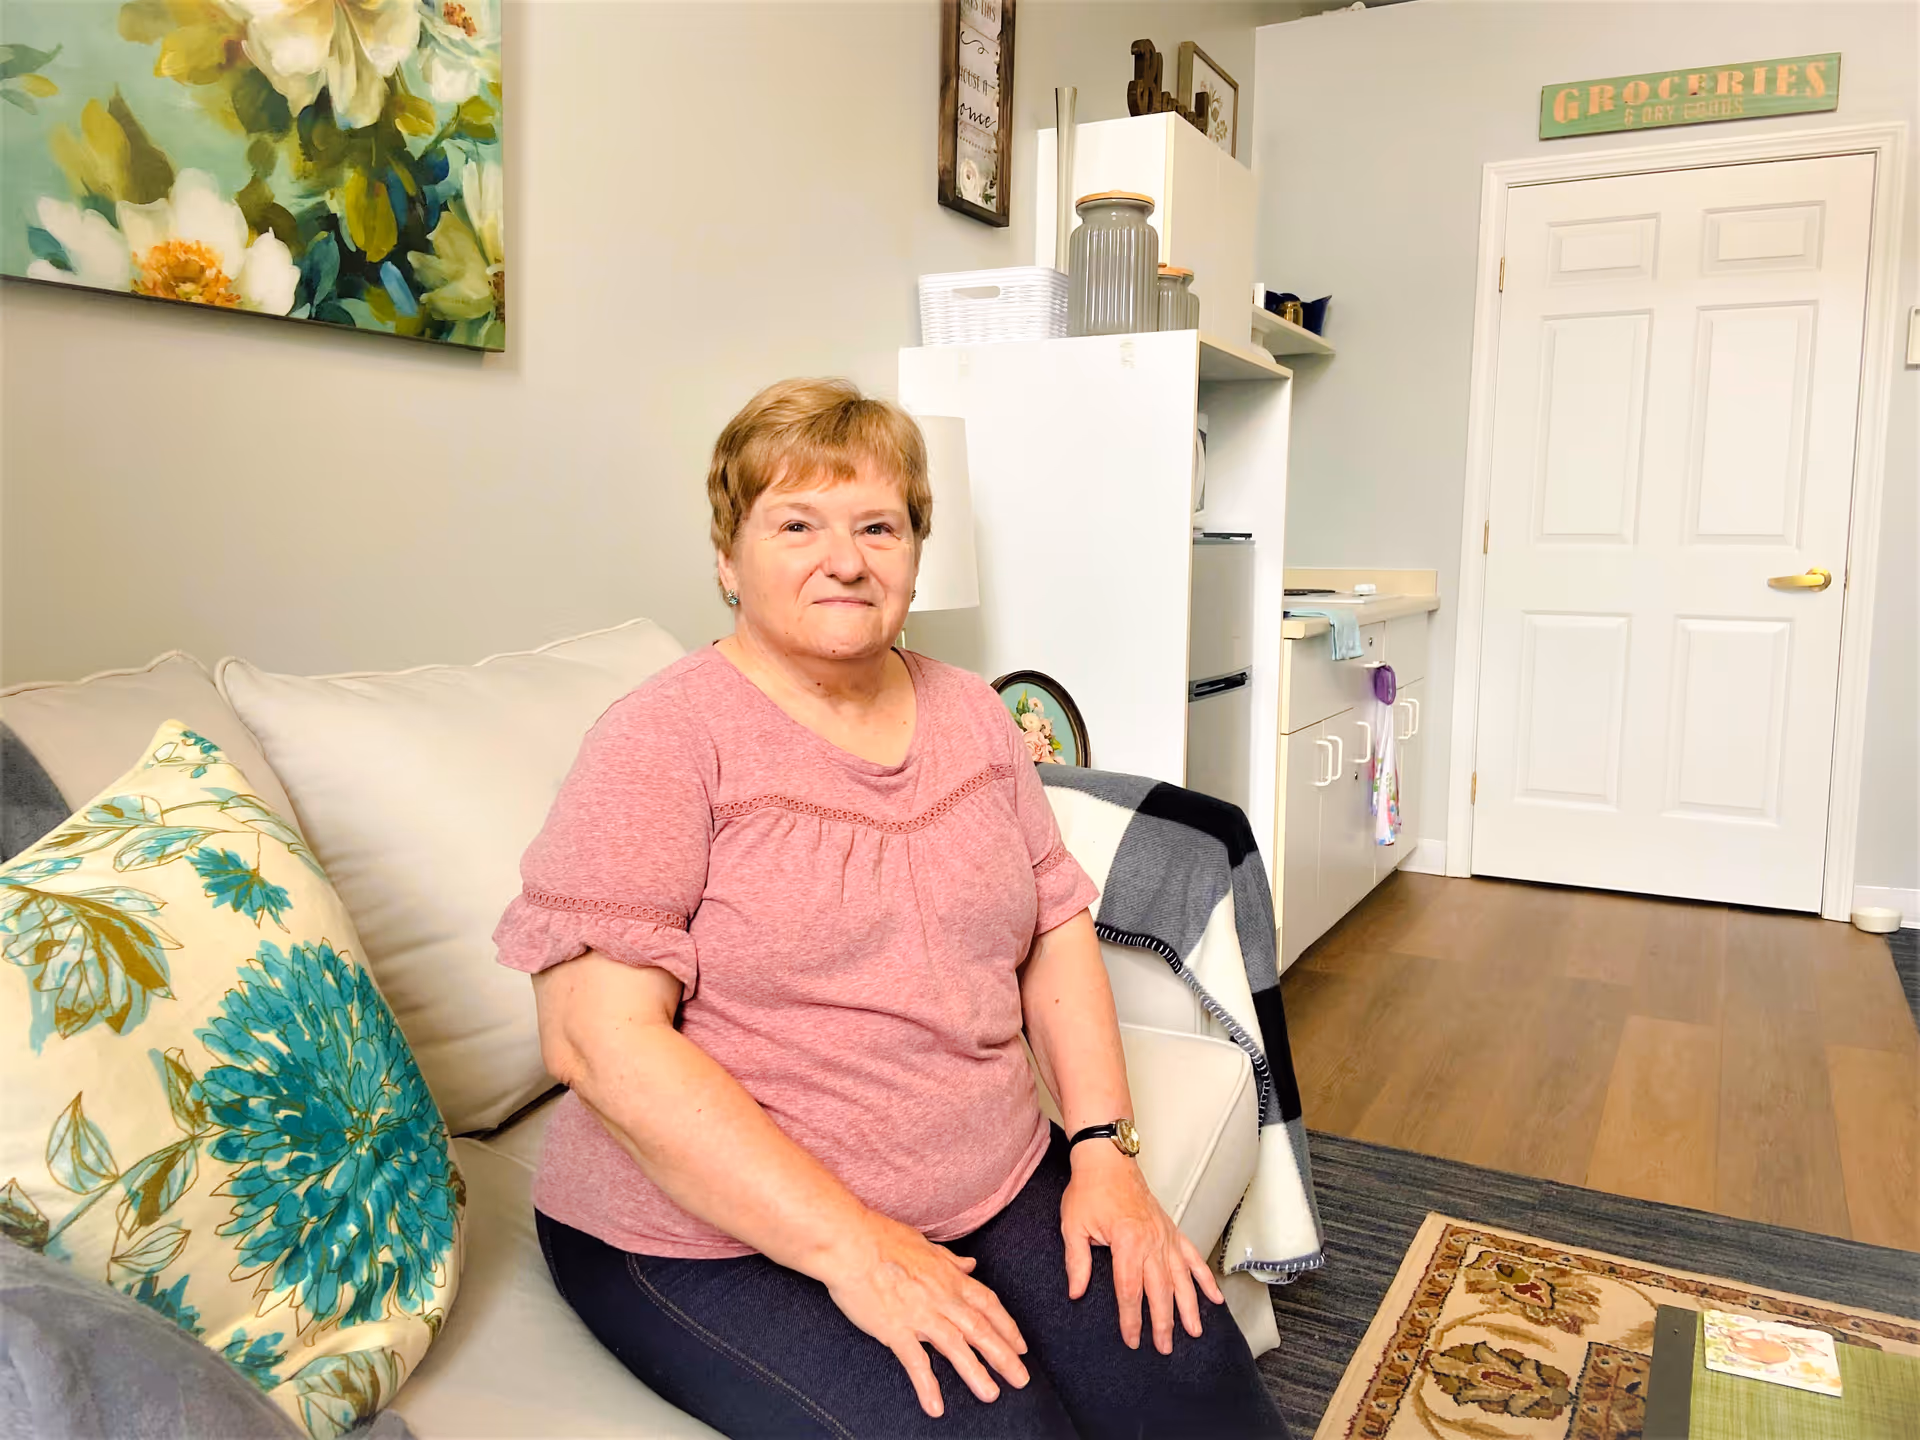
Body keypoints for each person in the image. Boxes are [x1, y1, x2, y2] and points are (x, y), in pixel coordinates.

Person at [494, 378, 1291, 1439]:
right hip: (704, 1233)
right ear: (728, 559)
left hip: (989, 1171)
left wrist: (1103, 1147)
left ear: (913, 554)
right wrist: (854, 1250)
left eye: (879, 525)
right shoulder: (662, 743)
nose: (848, 558)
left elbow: (1056, 931)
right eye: (797, 524)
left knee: (1193, 1377)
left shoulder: (971, 714)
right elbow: (598, 1044)